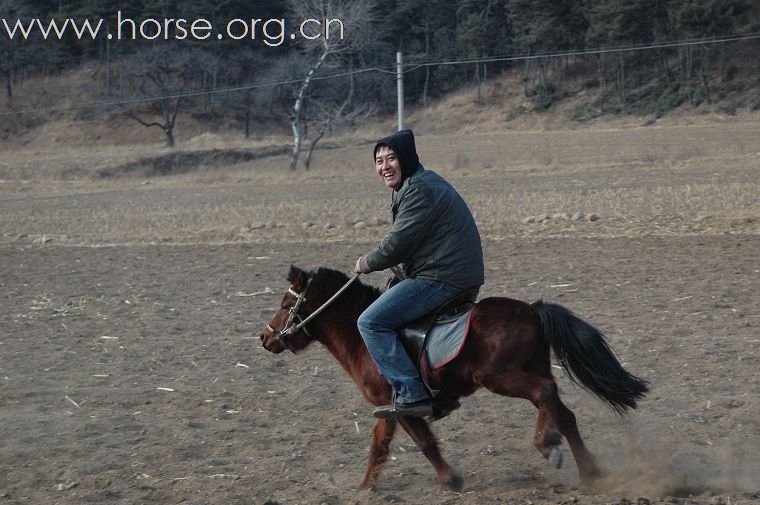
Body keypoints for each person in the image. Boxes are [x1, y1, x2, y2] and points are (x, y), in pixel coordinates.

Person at [354, 128, 484, 419]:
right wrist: (400, 276)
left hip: (443, 278)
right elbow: (421, 243)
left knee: (370, 322)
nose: (384, 166)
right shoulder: (419, 183)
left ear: (407, 159)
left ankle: (411, 393)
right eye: (378, 160)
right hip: (452, 272)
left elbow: (397, 244)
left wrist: (367, 262)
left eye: (391, 158)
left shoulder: (417, 190)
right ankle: (440, 392)